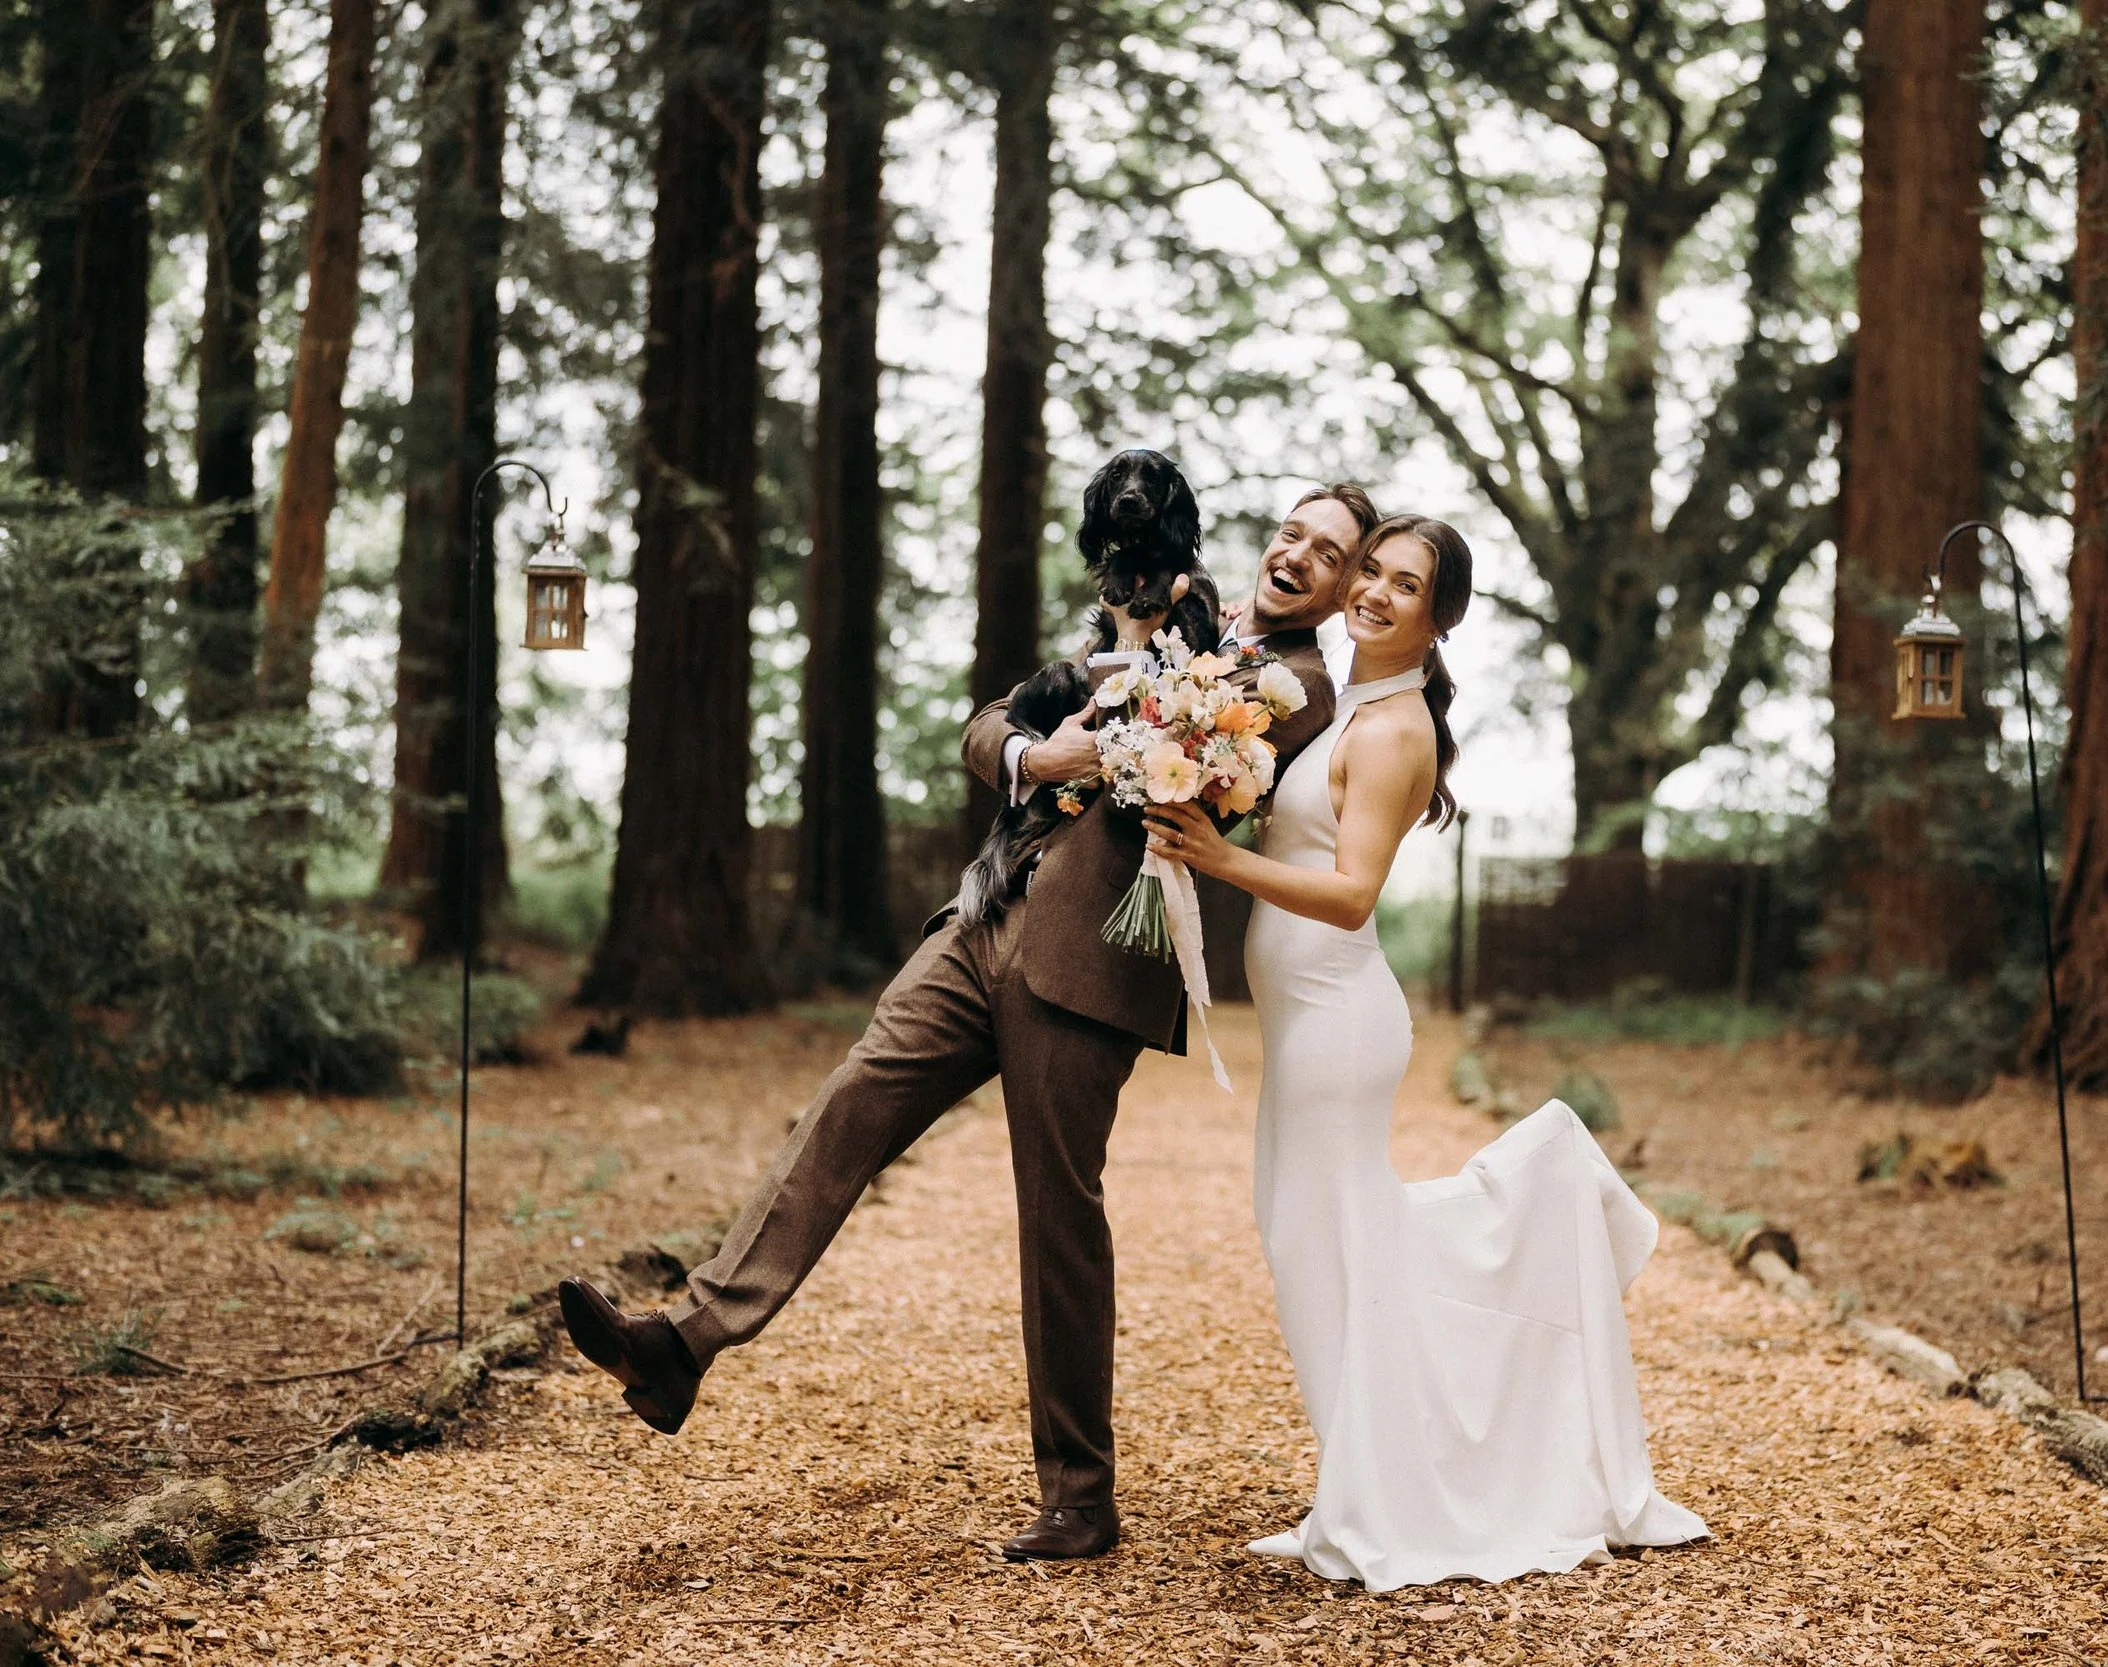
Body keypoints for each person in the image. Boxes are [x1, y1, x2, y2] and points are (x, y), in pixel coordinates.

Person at [555, 484, 1375, 1562]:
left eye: (1329, 551)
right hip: (984, 914)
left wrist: (1125, 669)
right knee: (850, 1102)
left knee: (1056, 1214)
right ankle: (683, 1342)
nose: (1298, 555)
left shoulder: (1297, 682)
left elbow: (1177, 725)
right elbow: (992, 723)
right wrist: (1040, 752)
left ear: (1346, 584)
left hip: (1091, 958)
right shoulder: (1169, 616)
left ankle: (1080, 1494)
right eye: (1292, 532)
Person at [1145, 514, 1709, 1591]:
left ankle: (1384, 1497)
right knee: (1314, 1241)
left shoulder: (1397, 726)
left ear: (1438, 618)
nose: (1374, 591)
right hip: (1309, 1018)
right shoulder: (1353, 702)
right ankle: (1358, 1483)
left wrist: (1220, 857)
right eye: (1371, 570)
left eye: (1407, 584)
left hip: (1337, 1020)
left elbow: (1353, 894)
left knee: (1326, 1242)